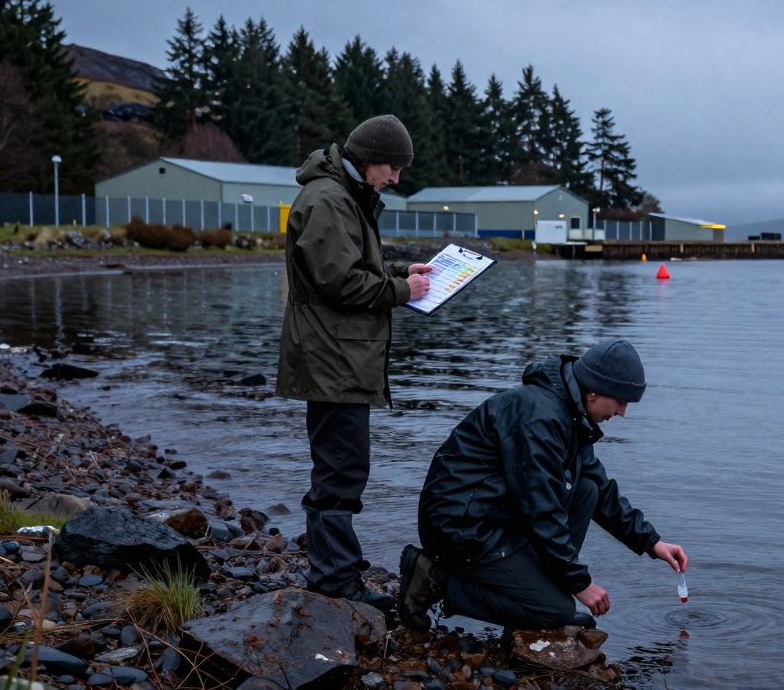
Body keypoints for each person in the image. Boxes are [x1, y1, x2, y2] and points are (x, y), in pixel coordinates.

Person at [399, 340, 689, 631]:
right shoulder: (539, 417)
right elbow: (542, 509)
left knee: (587, 488)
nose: (622, 412)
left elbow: (600, 488)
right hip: (462, 528)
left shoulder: (571, 415)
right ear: (595, 389)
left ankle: (541, 591)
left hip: (495, 514)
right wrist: (579, 584)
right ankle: (436, 580)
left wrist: (650, 542)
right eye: (620, 401)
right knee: (555, 612)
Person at [276, 115, 432, 610]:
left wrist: (399, 270)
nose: (395, 178)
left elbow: (346, 267)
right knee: (340, 473)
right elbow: (341, 284)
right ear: (367, 160)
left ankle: (334, 571)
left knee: (341, 469)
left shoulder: (341, 194)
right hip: (332, 358)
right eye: (392, 168)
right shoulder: (328, 200)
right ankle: (335, 582)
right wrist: (404, 291)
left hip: (337, 355)